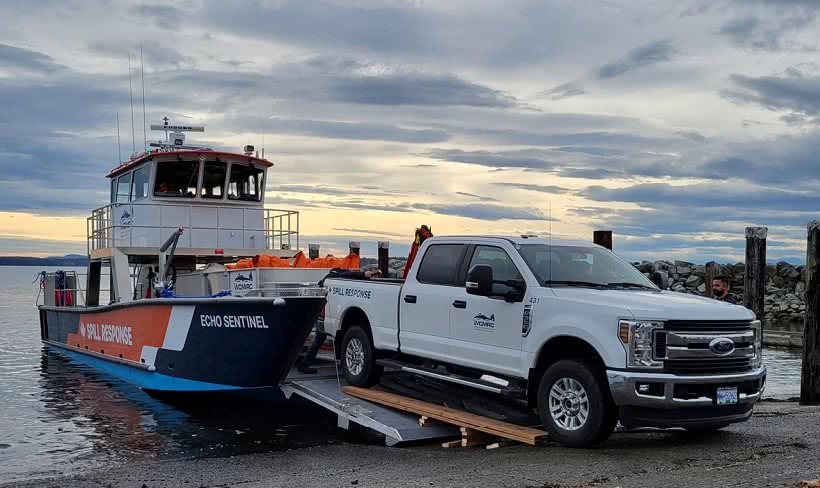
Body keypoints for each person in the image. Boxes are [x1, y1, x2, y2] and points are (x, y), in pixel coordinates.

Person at [298, 268, 382, 374]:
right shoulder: (333, 276)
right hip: (322, 313)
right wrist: (363, 274)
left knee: (318, 341)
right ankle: (305, 364)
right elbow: (345, 274)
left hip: (321, 313)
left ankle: (305, 363)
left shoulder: (326, 279)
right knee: (318, 341)